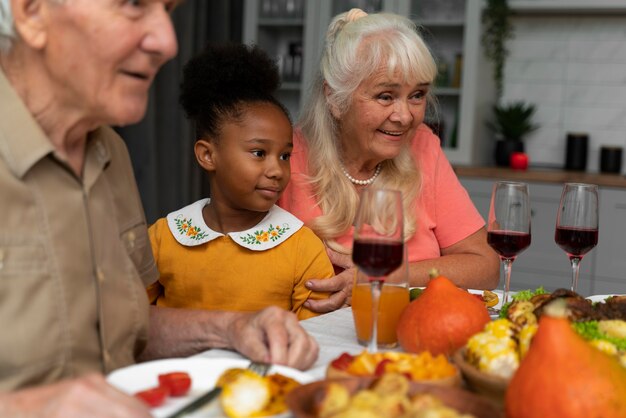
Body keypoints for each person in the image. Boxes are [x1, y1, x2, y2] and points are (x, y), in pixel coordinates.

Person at [0, 1, 317, 416]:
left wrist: (231, 328)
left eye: (167, 9)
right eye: (134, 4)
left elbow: (122, 330)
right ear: (32, 11)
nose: (168, 42)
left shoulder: (109, 152)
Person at [279, 9, 500, 313]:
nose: (405, 116)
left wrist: (387, 276)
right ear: (335, 99)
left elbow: (485, 266)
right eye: (385, 96)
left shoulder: (423, 147)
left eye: (417, 95)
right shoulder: (283, 157)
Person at [147, 42, 334, 320]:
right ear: (208, 155)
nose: (277, 170)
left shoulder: (301, 248)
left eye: (285, 156)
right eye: (259, 153)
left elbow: (318, 337)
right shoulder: (163, 237)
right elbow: (128, 324)